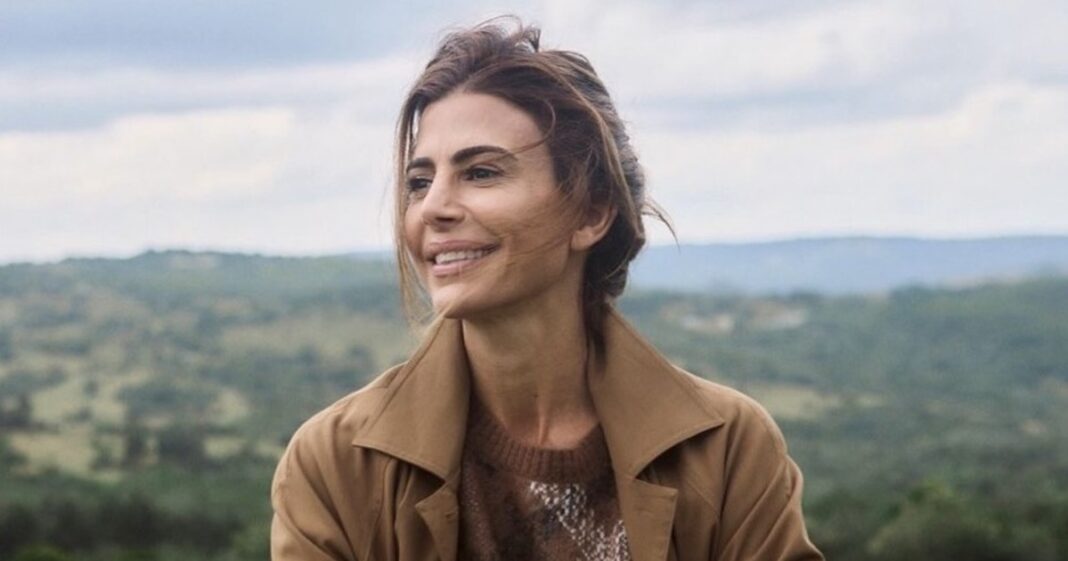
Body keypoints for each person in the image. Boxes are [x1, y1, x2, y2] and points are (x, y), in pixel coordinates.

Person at [271, 18, 824, 561]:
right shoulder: (335, 465)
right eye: (419, 182)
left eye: (481, 172)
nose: (433, 208)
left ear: (591, 212)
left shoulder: (727, 450)